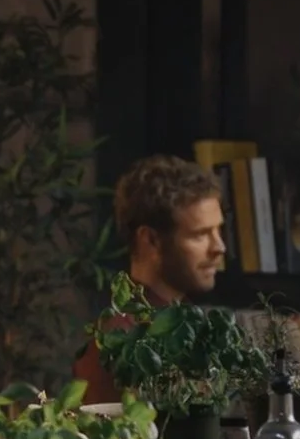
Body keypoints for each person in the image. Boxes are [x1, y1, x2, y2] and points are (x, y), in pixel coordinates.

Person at [70, 155, 229, 403]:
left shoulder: (190, 323)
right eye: (200, 235)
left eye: (218, 231)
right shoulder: (117, 342)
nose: (219, 247)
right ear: (150, 240)